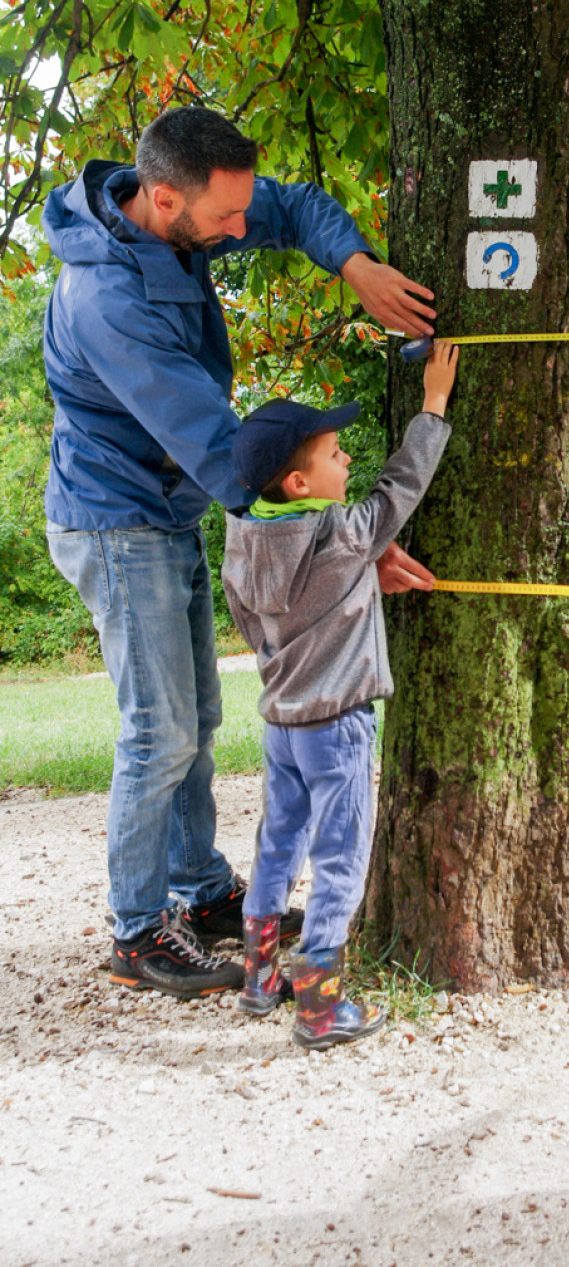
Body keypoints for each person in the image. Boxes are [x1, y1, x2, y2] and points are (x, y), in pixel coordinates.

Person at [42, 105, 438, 999]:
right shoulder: (106, 299)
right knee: (163, 727)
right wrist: (343, 550)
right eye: (225, 220)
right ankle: (140, 927)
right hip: (116, 521)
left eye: (238, 213)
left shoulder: (182, 218)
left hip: (166, 508)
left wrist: (356, 262)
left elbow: (290, 209)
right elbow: (224, 453)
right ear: (164, 197)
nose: (237, 231)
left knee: (199, 718)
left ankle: (202, 889)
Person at [220, 342, 459, 1048]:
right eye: (333, 453)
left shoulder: (240, 540)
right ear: (298, 482)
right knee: (341, 859)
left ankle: (258, 975)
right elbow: (399, 489)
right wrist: (433, 404)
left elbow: (258, 619)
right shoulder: (342, 534)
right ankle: (320, 1005)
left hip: (283, 724)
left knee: (278, 844)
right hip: (338, 729)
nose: (347, 460)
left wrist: (354, 587)